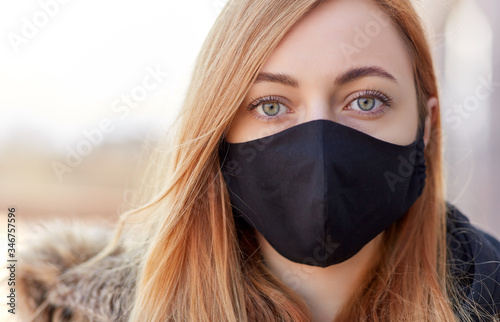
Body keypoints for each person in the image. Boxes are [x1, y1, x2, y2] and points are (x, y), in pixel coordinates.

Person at [18, 0, 500, 321]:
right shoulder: (63, 307)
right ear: (218, 130)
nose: (319, 147)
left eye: (366, 100)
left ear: (428, 127)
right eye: (271, 105)